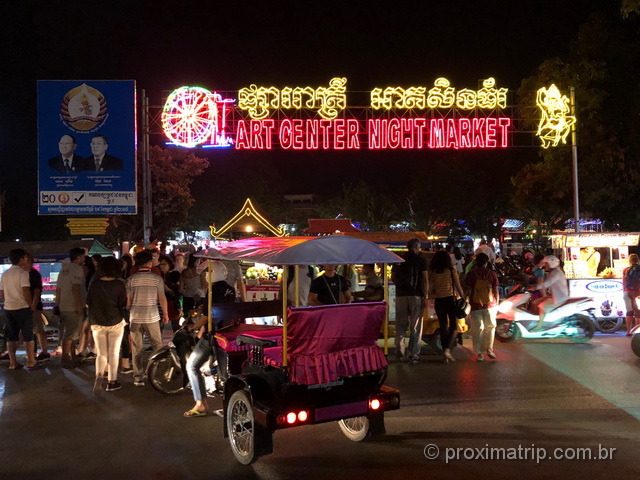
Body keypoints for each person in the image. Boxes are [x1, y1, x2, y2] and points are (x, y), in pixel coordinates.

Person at [183, 262, 235, 417]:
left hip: (213, 336)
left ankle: (201, 403)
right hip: (226, 334)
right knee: (226, 374)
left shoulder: (213, 290)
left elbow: (206, 317)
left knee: (192, 366)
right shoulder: (230, 289)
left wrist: (193, 327)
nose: (206, 274)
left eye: (209, 271)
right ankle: (231, 406)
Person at [126, 251, 169, 387]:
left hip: (135, 317)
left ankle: (138, 376)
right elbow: (162, 298)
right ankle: (154, 373)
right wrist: (166, 313)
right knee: (157, 345)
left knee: (137, 347)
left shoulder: (130, 280)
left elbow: (128, 302)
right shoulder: (157, 278)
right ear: (150, 263)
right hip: (152, 316)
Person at [87, 257, 127, 392]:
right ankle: (112, 381)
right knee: (114, 353)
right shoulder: (119, 284)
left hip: (97, 322)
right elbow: (123, 304)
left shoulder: (95, 284)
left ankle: (99, 374)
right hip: (115, 321)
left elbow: (89, 303)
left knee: (101, 353)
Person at [0, 248, 41, 369]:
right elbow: (26, 291)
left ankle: (13, 363)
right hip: (22, 307)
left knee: (11, 336)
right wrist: (31, 305)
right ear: (21, 259)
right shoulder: (23, 273)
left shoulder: (5, 274)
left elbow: (1, 292)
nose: (27, 259)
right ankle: (31, 361)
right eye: (25, 258)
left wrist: (7, 301)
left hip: (8, 308)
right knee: (28, 336)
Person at [392, 238, 428, 364]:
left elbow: (393, 277)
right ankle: (413, 354)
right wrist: (425, 296)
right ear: (416, 247)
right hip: (415, 295)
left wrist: (399, 287)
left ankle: (400, 349)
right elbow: (425, 279)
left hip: (401, 295)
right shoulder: (421, 260)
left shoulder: (400, 259)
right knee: (416, 326)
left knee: (401, 324)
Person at [429, 250, 465, 363]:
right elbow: (458, 286)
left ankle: (445, 355)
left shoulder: (433, 272)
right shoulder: (451, 270)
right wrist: (463, 297)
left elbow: (430, 290)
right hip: (450, 300)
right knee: (454, 327)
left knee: (443, 327)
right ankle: (447, 350)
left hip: (439, 301)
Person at [55, 247, 87, 368]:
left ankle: (72, 357)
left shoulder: (64, 269)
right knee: (71, 334)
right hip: (73, 307)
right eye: (83, 257)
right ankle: (65, 359)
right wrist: (79, 306)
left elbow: (58, 289)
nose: (84, 259)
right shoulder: (77, 269)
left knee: (71, 333)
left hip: (64, 306)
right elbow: (75, 288)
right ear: (78, 257)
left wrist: (57, 305)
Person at [464, 253, 499, 361]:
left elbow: (468, 290)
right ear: (486, 262)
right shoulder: (492, 274)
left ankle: (479, 354)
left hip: (475, 306)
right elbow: (496, 291)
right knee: (490, 328)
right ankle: (489, 349)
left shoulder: (471, 274)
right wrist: (496, 304)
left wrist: (466, 302)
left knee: (477, 329)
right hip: (490, 305)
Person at [532, 255, 569, 331]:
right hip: (555, 296)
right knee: (536, 302)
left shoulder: (556, 273)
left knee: (542, 306)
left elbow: (548, 283)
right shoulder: (554, 271)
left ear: (550, 263)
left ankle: (540, 326)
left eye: (546, 263)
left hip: (560, 297)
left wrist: (536, 287)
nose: (545, 265)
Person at [24, 255, 49, 361]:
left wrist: (33, 306)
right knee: (33, 330)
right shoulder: (27, 273)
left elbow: (37, 291)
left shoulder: (33, 274)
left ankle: (43, 352)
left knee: (38, 329)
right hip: (29, 306)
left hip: (33, 307)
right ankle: (35, 351)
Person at [622, 253, 640, 336]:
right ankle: (637, 333)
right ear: (638, 260)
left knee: (629, 312)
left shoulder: (625, 270)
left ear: (629, 261)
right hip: (638, 293)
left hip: (627, 292)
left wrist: (625, 292)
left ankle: (628, 331)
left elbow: (624, 283)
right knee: (638, 313)